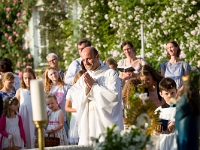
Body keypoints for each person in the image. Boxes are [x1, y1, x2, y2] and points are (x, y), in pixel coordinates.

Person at [71, 47, 123, 145]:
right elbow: (74, 96)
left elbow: (114, 97)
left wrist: (94, 86)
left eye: (89, 59)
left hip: (104, 123)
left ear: (97, 56)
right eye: (83, 60)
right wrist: (87, 90)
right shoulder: (84, 77)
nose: (86, 62)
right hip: (88, 122)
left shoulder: (110, 74)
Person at [44, 67, 70, 138]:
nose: (53, 75)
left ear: (58, 72)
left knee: (63, 136)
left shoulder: (66, 87)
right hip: (50, 119)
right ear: (48, 77)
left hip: (62, 117)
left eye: (54, 73)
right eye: (51, 74)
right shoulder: (47, 89)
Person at [175, 76, 199, 150]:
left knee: (185, 144)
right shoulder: (195, 97)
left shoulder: (184, 99)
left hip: (184, 125)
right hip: (193, 126)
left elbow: (179, 111)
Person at [15, 68, 36, 149]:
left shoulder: (37, 90)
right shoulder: (20, 91)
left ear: (33, 77)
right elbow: (15, 105)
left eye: (29, 78)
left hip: (34, 115)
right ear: (22, 79)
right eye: (25, 78)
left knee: (34, 135)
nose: (27, 80)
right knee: (25, 135)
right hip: (23, 116)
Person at [155, 78, 177, 150]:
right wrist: (156, 130)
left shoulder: (182, 109)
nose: (170, 95)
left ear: (176, 91)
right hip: (164, 144)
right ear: (161, 94)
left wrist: (175, 122)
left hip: (177, 143)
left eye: (172, 93)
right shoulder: (158, 111)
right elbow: (153, 132)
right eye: (166, 93)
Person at [65, 69, 86, 145]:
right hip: (76, 116)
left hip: (85, 115)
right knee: (76, 138)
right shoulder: (71, 90)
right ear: (76, 79)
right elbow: (67, 107)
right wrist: (77, 110)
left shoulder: (87, 89)